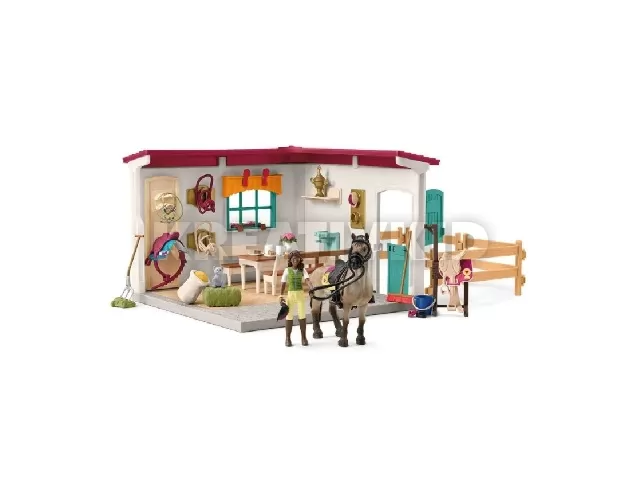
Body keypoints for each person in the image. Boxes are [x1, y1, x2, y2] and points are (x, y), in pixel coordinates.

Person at [279, 250, 312, 347]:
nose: (295, 260)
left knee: (302, 315)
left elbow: (307, 280)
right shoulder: (287, 270)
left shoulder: (303, 270)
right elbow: (283, 284)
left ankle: (303, 337)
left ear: (299, 259)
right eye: (293, 258)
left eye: (297, 258)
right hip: (290, 295)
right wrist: (281, 296)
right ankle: (287, 338)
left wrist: (311, 287)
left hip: (300, 295)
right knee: (289, 316)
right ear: (290, 260)